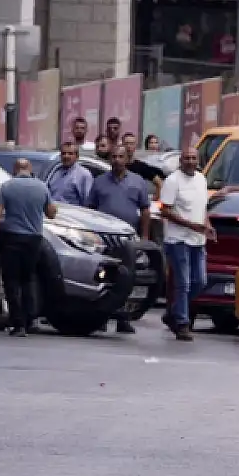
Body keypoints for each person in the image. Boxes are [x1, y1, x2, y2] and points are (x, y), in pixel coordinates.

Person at [85, 146, 153, 334]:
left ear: (127, 159)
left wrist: (145, 237)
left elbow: (145, 210)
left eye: (120, 157)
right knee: (104, 277)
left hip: (128, 239)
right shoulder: (99, 182)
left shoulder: (138, 182)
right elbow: (90, 209)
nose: (116, 160)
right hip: (103, 238)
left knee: (127, 278)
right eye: (113, 157)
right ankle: (102, 317)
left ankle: (123, 318)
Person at [0, 158, 56, 337]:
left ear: (15, 169)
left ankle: (17, 323)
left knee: (11, 282)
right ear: (30, 169)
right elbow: (51, 213)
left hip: (12, 237)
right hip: (33, 239)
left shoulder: (7, 187)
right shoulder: (42, 187)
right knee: (28, 280)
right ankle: (31, 320)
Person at [158, 146, 214, 341]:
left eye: (193, 158)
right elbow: (164, 210)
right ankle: (182, 322)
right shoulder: (173, 181)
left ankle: (173, 312)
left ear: (198, 160)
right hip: (178, 239)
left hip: (198, 240)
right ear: (181, 161)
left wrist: (207, 225)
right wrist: (190, 225)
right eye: (187, 158)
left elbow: (203, 208)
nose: (190, 161)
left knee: (200, 282)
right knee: (183, 284)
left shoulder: (201, 179)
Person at [44, 140, 95, 207]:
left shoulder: (84, 175)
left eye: (70, 153)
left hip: (72, 215)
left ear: (77, 157)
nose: (66, 156)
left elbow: (87, 203)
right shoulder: (55, 171)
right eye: (63, 153)